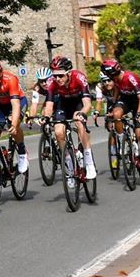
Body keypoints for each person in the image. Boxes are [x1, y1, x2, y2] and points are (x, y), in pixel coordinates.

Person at [42, 55, 98, 184]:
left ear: (68, 73)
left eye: (60, 76)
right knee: (58, 132)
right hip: (63, 103)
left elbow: (87, 103)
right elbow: (49, 105)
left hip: (78, 103)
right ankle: (69, 167)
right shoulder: (51, 82)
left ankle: (89, 162)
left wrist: (83, 113)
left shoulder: (79, 77)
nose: (57, 79)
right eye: (55, 75)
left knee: (78, 122)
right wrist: (45, 117)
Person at [100, 58, 140, 177]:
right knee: (117, 114)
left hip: (138, 102)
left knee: (139, 134)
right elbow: (118, 89)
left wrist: (139, 114)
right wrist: (113, 103)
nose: (107, 78)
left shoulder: (130, 77)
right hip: (125, 101)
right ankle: (122, 138)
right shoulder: (115, 79)